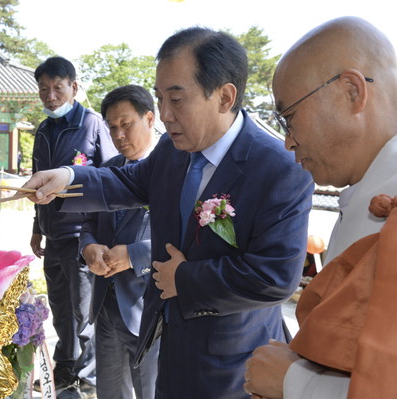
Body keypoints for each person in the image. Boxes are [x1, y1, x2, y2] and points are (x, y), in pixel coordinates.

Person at [22, 26, 313, 399]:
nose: (165, 114)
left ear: (225, 97)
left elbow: (274, 276)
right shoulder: (172, 151)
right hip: (168, 343)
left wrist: (186, 279)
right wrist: (65, 177)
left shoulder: (278, 168)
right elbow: (125, 183)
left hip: (234, 362)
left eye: (177, 99)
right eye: (160, 98)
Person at [244, 16, 397, 399]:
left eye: (289, 117)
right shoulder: (369, 192)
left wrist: (296, 383)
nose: (287, 142)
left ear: (351, 91)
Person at [30, 56, 117, 399]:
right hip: (52, 236)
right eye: (44, 89)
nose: (50, 96)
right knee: (61, 311)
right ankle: (64, 369)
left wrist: (97, 236)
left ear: (74, 87)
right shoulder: (42, 130)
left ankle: (88, 378)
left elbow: (114, 179)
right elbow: (37, 188)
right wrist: (37, 226)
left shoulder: (94, 125)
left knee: (84, 313)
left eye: (58, 87)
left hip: (81, 237)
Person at [79, 85, 158, 399]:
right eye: (112, 127)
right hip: (107, 306)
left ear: (149, 119)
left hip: (151, 309)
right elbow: (87, 224)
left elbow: (189, 240)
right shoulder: (107, 172)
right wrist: (88, 247)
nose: (119, 134)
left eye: (127, 125)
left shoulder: (173, 171)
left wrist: (135, 255)